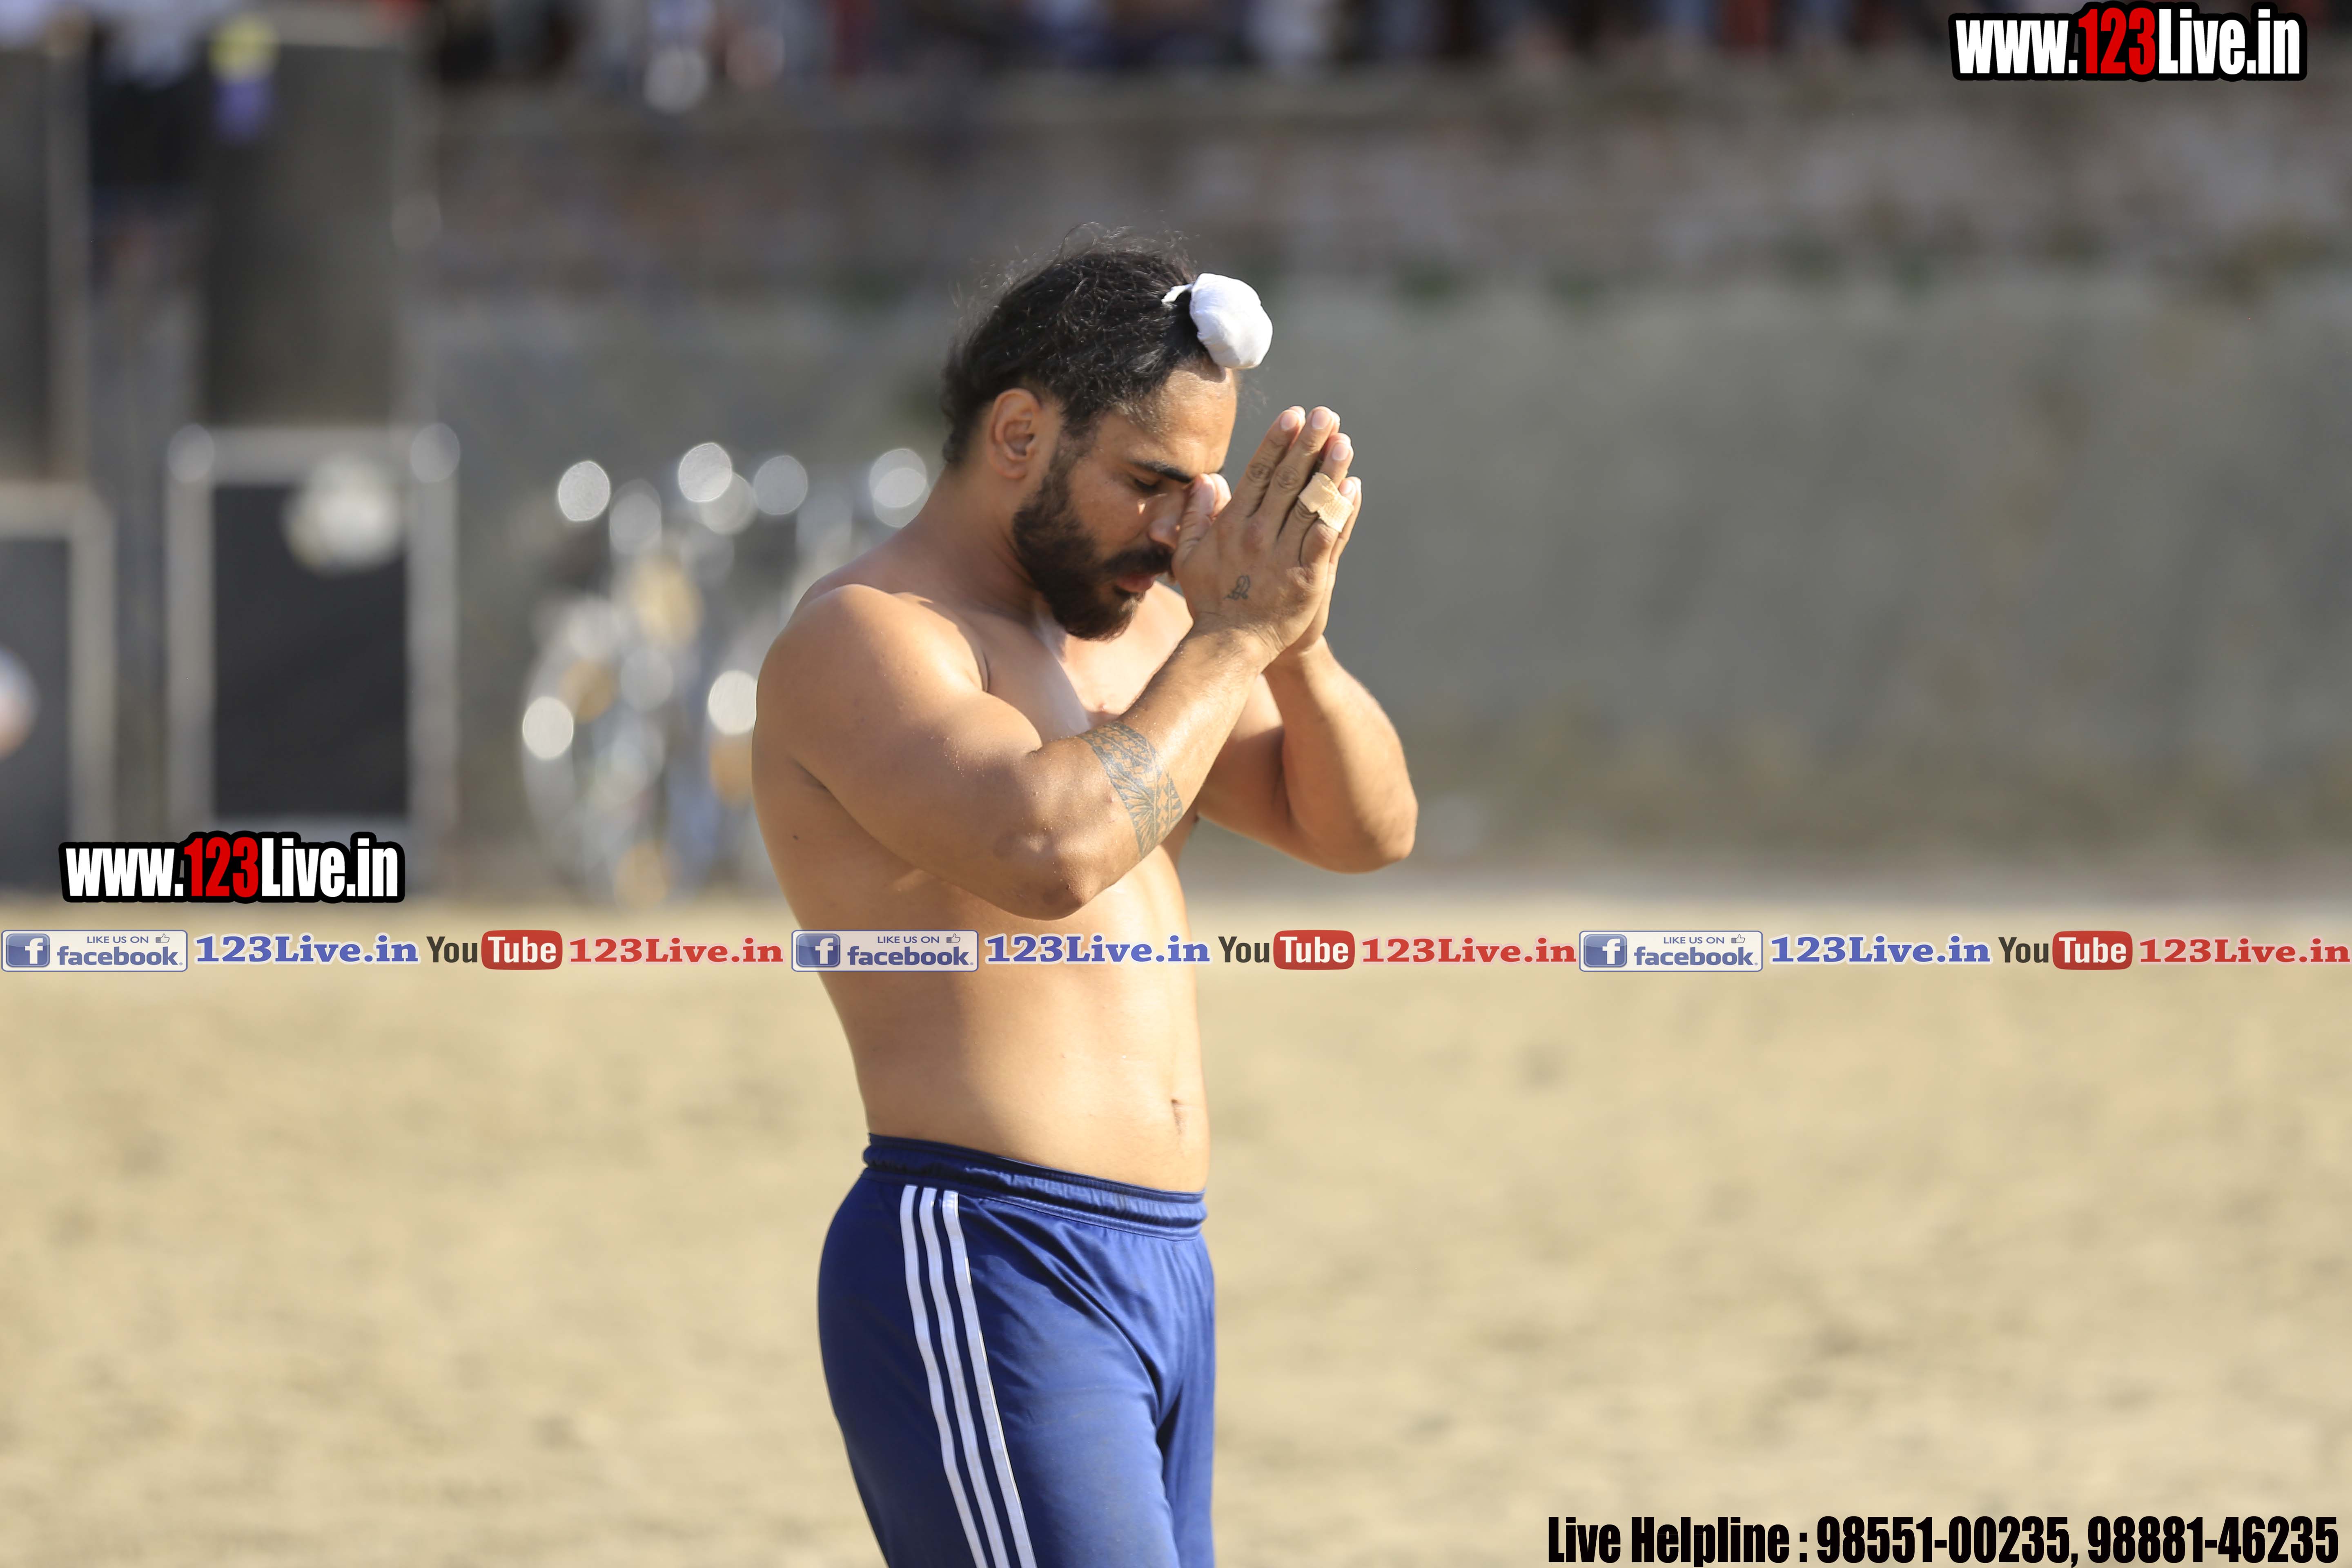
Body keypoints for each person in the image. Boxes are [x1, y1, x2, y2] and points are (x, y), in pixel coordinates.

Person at [752, 235, 1417, 1568]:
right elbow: (1046, 849)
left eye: (1201, 494)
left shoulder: (1150, 640)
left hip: (1168, 1266)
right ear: (1019, 434)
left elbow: (1364, 830)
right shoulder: (867, 635)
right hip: (987, 1251)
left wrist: (1295, 637)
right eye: (1148, 484)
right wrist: (1232, 637)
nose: (1177, 532)